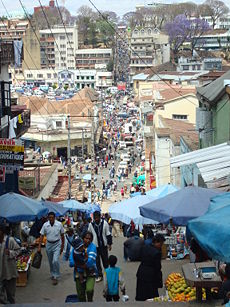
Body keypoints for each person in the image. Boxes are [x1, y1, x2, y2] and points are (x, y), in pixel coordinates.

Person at [136, 234, 165, 301]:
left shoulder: (144, 247)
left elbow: (139, 256)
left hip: (141, 272)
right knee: (151, 296)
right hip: (151, 275)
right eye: (161, 244)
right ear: (157, 242)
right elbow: (158, 267)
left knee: (141, 293)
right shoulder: (157, 253)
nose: (161, 246)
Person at [38, 212, 65, 285]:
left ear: (55, 218)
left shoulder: (59, 224)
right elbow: (41, 236)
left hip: (57, 244)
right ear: (48, 218)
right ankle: (53, 274)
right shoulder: (45, 225)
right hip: (49, 244)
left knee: (55, 260)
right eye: (49, 217)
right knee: (50, 261)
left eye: (52, 217)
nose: (51, 219)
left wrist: (62, 246)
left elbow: (62, 235)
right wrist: (39, 246)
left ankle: (56, 276)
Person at [69, 232, 97, 302]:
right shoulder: (77, 246)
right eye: (86, 238)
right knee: (80, 294)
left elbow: (89, 262)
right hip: (78, 273)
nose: (88, 240)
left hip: (90, 272)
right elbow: (71, 261)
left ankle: (90, 302)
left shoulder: (93, 247)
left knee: (89, 290)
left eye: (90, 239)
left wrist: (77, 264)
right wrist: (77, 264)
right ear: (83, 238)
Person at [88, 211, 112, 282]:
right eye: (95, 218)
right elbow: (89, 234)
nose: (96, 219)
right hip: (95, 246)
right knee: (97, 261)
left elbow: (108, 234)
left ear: (100, 217)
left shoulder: (104, 223)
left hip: (103, 245)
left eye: (97, 218)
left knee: (105, 260)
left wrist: (109, 244)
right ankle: (100, 275)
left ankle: (107, 274)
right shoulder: (91, 225)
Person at [0, 226, 20, 304]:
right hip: (0, 273)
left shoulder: (10, 240)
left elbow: (18, 250)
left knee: (11, 295)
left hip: (9, 272)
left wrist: (10, 252)